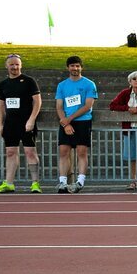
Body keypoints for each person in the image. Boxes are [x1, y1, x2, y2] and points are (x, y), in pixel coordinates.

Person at [0, 54, 42, 193]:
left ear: (21, 65)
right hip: (10, 124)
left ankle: (35, 183)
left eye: (17, 64)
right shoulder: (3, 84)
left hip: (27, 123)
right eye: (12, 64)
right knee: (10, 152)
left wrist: (32, 120)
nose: (14, 67)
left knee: (30, 152)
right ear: (7, 66)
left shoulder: (29, 81)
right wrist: (0, 125)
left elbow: (37, 101)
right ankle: (9, 183)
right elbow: (1, 105)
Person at [55, 56, 98, 194]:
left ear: (81, 67)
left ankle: (80, 182)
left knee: (81, 152)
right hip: (66, 122)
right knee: (63, 151)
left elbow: (88, 105)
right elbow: (59, 106)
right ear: (68, 67)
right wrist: (65, 122)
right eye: (72, 66)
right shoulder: (62, 85)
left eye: (78, 66)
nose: (75, 68)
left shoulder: (89, 84)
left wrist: (69, 119)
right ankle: (62, 182)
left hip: (83, 121)